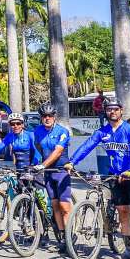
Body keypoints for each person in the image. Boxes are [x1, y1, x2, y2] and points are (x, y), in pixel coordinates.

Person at [65, 99, 130, 259]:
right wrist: (72, 162)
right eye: (109, 109)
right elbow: (88, 145)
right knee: (123, 212)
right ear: (105, 112)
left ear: (121, 111)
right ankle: (129, 250)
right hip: (114, 176)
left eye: (115, 109)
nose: (112, 112)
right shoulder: (102, 132)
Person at [29, 102, 74, 245]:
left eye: (50, 116)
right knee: (54, 205)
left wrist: (42, 165)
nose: (47, 118)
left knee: (64, 206)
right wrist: (36, 164)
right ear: (41, 118)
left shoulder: (62, 131)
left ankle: (70, 235)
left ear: (54, 117)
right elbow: (38, 149)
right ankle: (62, 236)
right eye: (44, 116)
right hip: (48, 172)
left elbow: (57, 152)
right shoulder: (37, 131)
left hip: (61, 171)